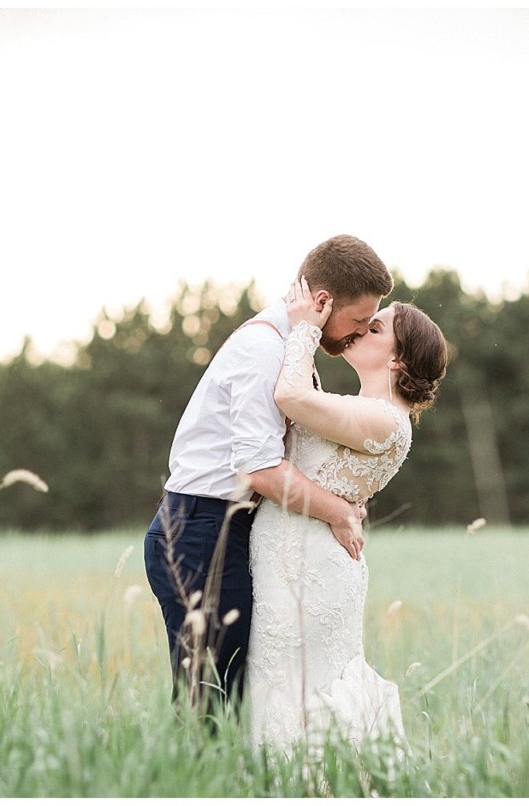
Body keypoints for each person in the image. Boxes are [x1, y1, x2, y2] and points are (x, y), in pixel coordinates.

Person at [143, 235, 394, 713]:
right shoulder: (265, 349)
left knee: (229, 695)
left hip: (220, 529)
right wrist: (338, 512)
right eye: (359, 320)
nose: (360, 332)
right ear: (323, 302)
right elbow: (259, 470)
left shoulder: (286, 346)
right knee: (210, 704)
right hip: (200, 533)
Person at [246, 276, 448, 751]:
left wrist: (304, 330)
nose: (360, 330)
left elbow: (289, 397)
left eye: (375, 329)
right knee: (278, 686)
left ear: (397, 359)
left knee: (299, 691)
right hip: (287, 558)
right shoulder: (362, 407)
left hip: (310, 571)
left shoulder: (385, 419)